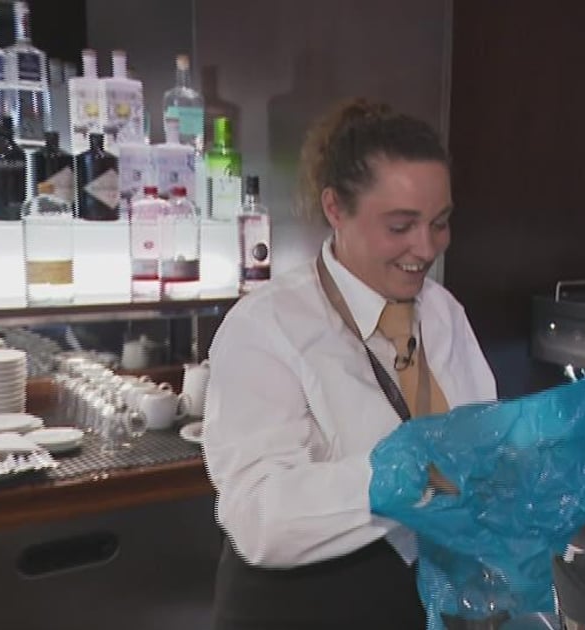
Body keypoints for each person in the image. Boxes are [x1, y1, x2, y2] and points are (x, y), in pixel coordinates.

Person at [202, 98, 497, 629]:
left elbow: (480, 443)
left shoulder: (444, 312)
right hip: (303, 609)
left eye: (440, 223)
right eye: (401, 226)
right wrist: (412, 474)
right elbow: (258, 517)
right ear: (336, 208)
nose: (425, 248)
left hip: (421, 604)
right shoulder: (266, 326)